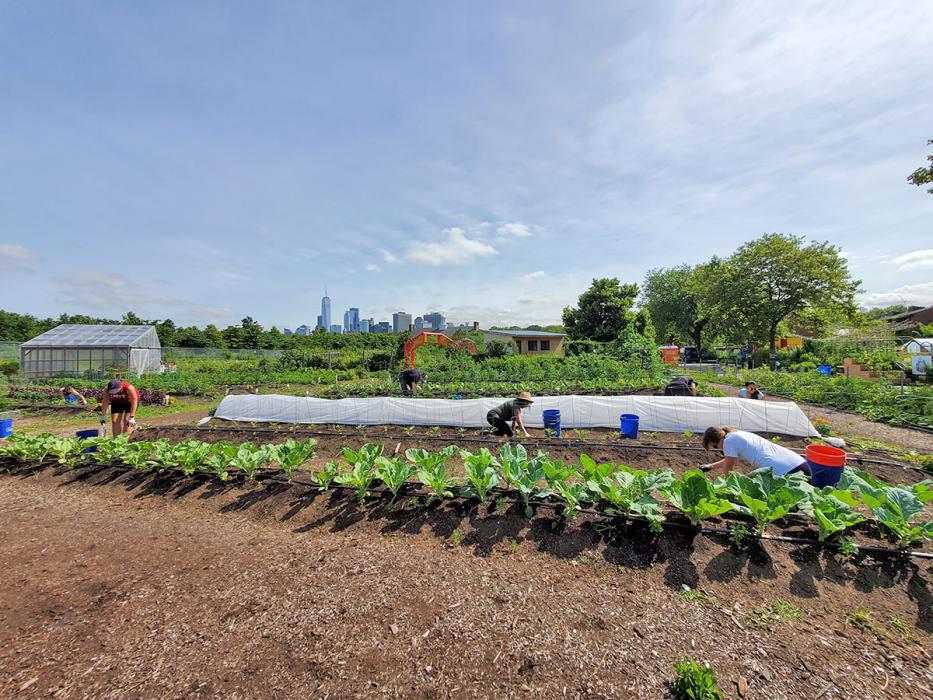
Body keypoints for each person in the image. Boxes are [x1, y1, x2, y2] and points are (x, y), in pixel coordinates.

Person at [701, 426, 809, 477]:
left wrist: (729, 485)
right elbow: (728, 461)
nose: (719, 449)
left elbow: (728, 467)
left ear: (717, 441)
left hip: (787, 472)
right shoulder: (736, 434)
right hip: (800, 465)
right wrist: (710, 466)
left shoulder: (729, 441)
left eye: (715, 447)